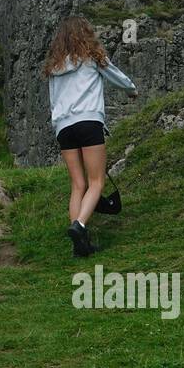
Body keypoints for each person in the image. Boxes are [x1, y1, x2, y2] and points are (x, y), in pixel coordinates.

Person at [44, 15, 137, 258]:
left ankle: (80, 244)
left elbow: (53, 101)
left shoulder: (55, 66)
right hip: (88, 121)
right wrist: (131, 90)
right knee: (96, 182)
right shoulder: (92, 57)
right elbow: (117, 77)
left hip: (64, 127)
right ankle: (80, 226)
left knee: (78, 185)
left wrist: (58, 124)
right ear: (85, 34)